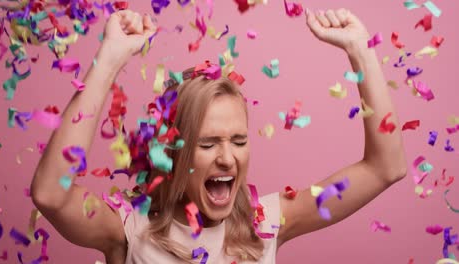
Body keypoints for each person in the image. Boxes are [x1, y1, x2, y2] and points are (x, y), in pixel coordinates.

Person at [30, 7, 407, 264]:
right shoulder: (128, 229)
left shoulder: (270, 221)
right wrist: (109, 59)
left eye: (239, 141)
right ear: (172, 152)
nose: (227, 158)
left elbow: (385, 167)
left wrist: (361, 51)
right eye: (207, 144)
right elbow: (51, 195)